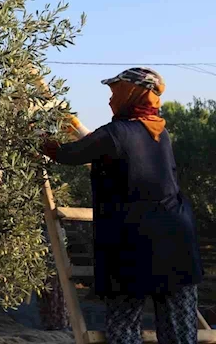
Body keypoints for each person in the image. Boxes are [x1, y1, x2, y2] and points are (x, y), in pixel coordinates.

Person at [42, 68, 203, 344]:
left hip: (134, 247)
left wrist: (37, 138)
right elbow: (107, 147)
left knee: (124, 327)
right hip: (178, 244)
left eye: (115, 93)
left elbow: (68, 154)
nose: (110, 100)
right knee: (180, 331)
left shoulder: (115, 133)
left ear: (132, 95)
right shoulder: (159, 133)